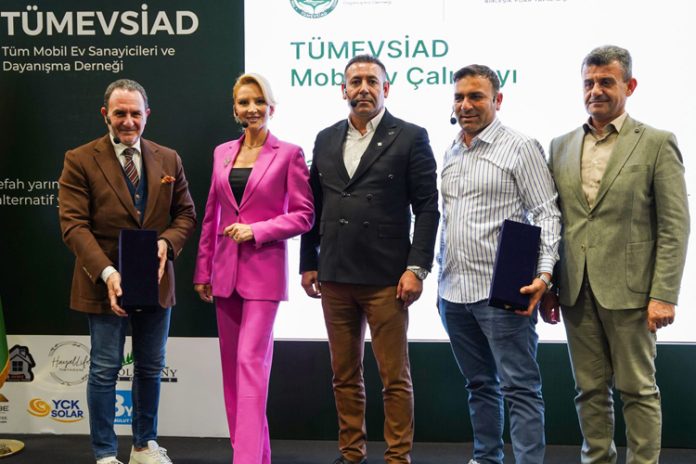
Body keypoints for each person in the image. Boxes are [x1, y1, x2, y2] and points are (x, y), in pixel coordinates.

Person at [546, 45, 690, 464]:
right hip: (575, 290)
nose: (596, 90)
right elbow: (554, 221)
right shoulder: (560, 146)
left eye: (606, 82)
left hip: (633, 293)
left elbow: (675, 226)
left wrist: (664, 294)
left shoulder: (657, 143)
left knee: (638, 390)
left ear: (630, 85)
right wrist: (551, 283)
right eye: (589, 83)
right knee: (588, 390)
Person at [300, 54, 439, 464]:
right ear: (343, 89)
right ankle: (351, 454)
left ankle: (397, 457)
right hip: (335, 275)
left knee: (394, 377)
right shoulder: (325, 138)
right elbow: (313, 205)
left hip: (387, 277)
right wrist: (309, 262)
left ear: (386, 88)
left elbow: (427, 208)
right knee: (344, 375)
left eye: (371, 81)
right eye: (355, 81)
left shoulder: (411, 136)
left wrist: (416, 268)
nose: (363, 88)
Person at [58, 79, 196, 464]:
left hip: (155, 281)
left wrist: (166, 243)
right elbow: (73, 225)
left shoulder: (169, 158)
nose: (129, 121)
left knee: (150, 368)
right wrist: (107, 272)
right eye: (120, 113)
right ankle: (105, 454)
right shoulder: (79, 159)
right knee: (105, 369)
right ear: (106, 114)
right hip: (103, 282)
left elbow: (186, 214)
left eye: (136, 113)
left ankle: (143, 446)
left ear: (147, 114)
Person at [437, 64, 561, 464]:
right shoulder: (452, 150)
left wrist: (545, 274)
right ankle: (486, 458)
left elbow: (546, 213)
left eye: (476, 96)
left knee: (520, 388)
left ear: (497, 100)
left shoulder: (520, 147)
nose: (466, 105)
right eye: (459, 97)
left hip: (503, 292)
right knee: (479, 385)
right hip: (453, 292)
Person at [193, 73, 314, 464]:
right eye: (244, 102)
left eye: (259, 101)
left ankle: (243, 460)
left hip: (264, 273)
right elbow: (212, 214)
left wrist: (257, 230)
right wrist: (202, 270)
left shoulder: (289, 154)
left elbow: (304, 215)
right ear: (235, 109)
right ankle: (254, 455)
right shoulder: (222, 153)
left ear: (271, 107)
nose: (252, 109)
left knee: (250, 364)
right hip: (224, 273)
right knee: (233, 371)